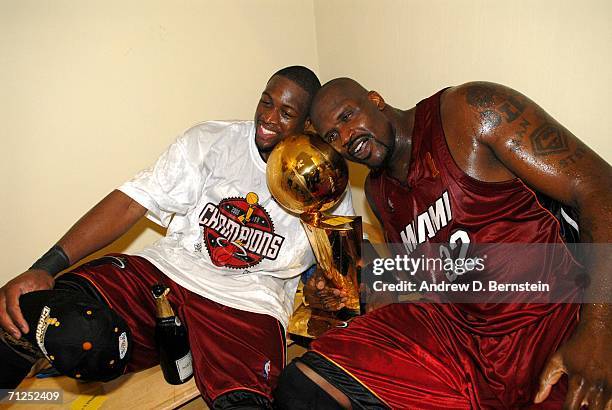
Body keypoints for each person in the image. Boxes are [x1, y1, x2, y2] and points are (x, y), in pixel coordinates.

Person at [0, 66, 355, 409]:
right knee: (41, 317)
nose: (269, 117)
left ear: (308, 123)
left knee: (246, 403)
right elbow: (130, 203)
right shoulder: (211, 141)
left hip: (247, 304)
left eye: (286, 112)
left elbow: (335, 278)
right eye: (266, 102)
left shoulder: (327, 182)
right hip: (167, 274)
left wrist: (319, 290)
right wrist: (44, 267)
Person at [274, 78, 611, 409]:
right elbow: (416, 276)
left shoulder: (470, 111)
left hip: (549, 323)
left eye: (347, 117)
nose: (346, 138)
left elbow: (600, 188)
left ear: (375, 100)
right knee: (304, 387)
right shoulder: (379, 192)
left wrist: (598, 331)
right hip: (460, 339)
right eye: (332, 136)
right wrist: (347, 290)